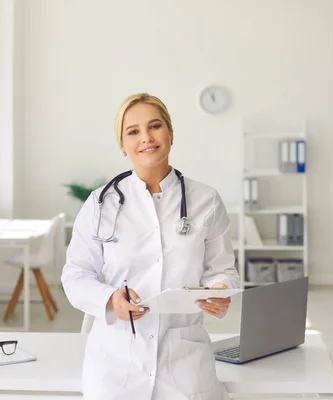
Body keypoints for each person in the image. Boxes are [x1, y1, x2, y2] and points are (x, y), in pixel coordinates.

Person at [61, 93, 241, 399]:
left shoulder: (206, 201)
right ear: (122, 144)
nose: (146, 137)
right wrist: (110, 299)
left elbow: (223, 269)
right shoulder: (100, 204)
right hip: (116, 363)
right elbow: (75, 274)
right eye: (133, 131)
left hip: (184, 361)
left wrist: (220, 290)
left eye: (155, 126)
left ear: (170, 133)